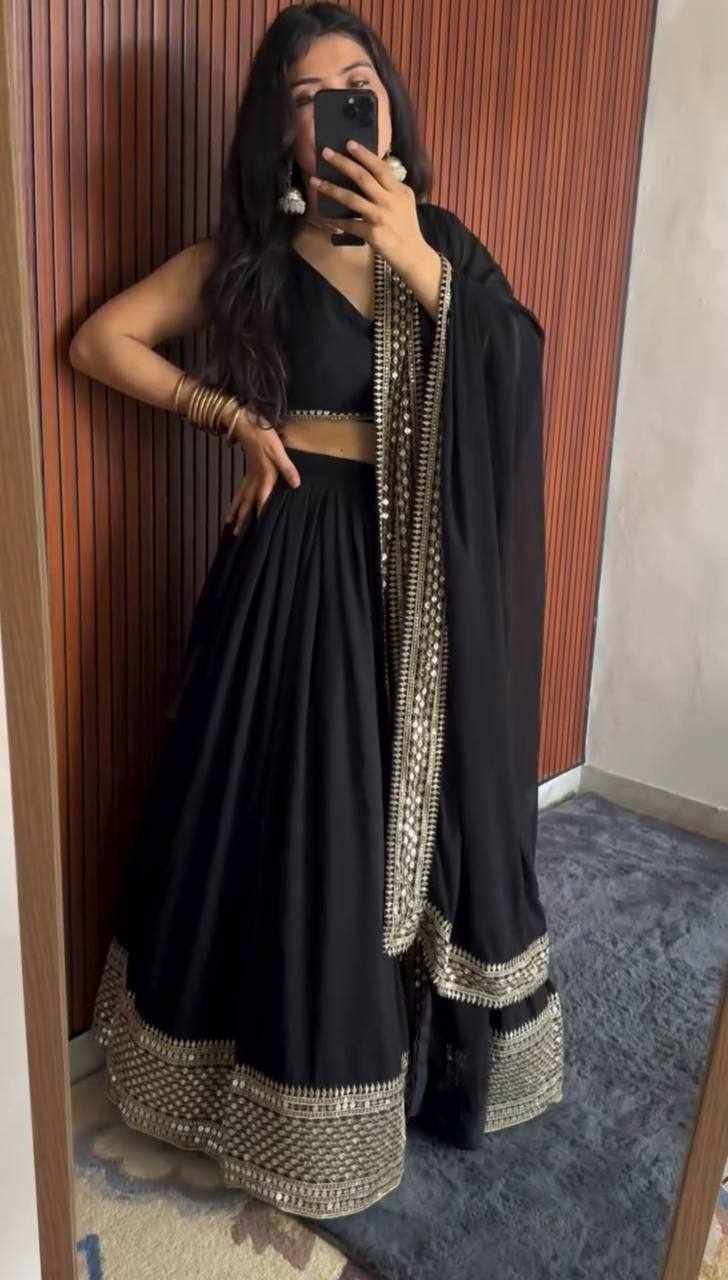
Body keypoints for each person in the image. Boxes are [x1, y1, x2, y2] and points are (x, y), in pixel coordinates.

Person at [71, 2, 564, 1221]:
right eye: (309, 96)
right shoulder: (248, 261)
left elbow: (514, 368)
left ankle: (400, 1066)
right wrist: (230, 417)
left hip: (421, 586)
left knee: (403, 816)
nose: (343, 106)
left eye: (359, 81)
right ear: (280, 132)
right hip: (297, 569)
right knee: (298, 817)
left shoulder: (440, 242)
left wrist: (413, 255)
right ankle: (262, 1085)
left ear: (386, 103)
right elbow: (99, 340)